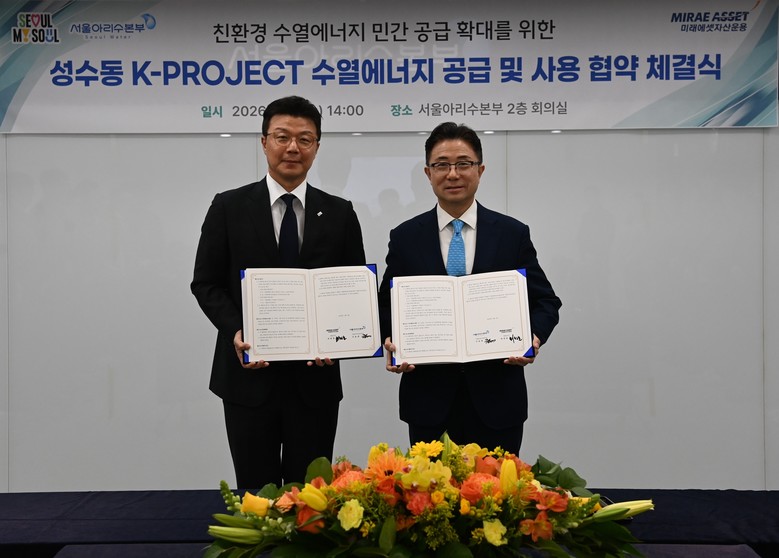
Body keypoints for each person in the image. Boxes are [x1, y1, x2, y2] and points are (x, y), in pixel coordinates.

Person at [191, 96, 366, 489]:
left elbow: (352, 289)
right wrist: (237, 331)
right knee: (256, 494)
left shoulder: (340, 213)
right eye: (282, 137)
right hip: (247, 379)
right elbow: (205, 282)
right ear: (264, 142)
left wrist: (337, 339)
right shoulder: (228, 207)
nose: (293, 148)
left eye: (304, 139)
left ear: (317, 147)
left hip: (315, 381)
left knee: (311, 497)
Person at [378, 122, 561, 454]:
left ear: (480, 169)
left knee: (498, 487)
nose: (453, 174)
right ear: (428, 172)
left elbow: (546, 302)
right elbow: (386, 304)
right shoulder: (406, 237)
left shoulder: (511, 233)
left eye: (463, 163)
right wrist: (390, 340)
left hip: (498, 399)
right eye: (441, 165)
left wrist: (533, 339)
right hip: (428, 399)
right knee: (431, 488)